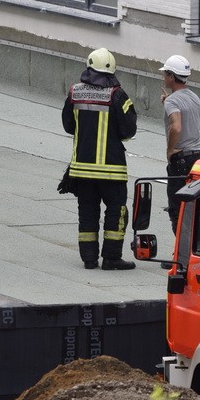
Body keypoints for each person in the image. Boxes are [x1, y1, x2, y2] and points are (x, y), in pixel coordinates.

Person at [62, 48, 138, 270]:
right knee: (116, 212)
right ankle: (112, 259)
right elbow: (128, 130)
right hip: (112, 170)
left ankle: (89, 259)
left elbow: (68, 126)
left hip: (82, 170)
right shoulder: (117, 95)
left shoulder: (74, 92)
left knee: (87, 212)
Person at [160, 54, 200, 234]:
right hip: (198, 159)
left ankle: (180, 258)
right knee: (196, 209)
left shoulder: (172, 100)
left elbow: (177, 126)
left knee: (178, 210)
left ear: (171, 76)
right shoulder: (194, 97)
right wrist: (168, 102)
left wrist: (170, 150)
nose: (164, 77)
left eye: (165, 74)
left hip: (181, 160)